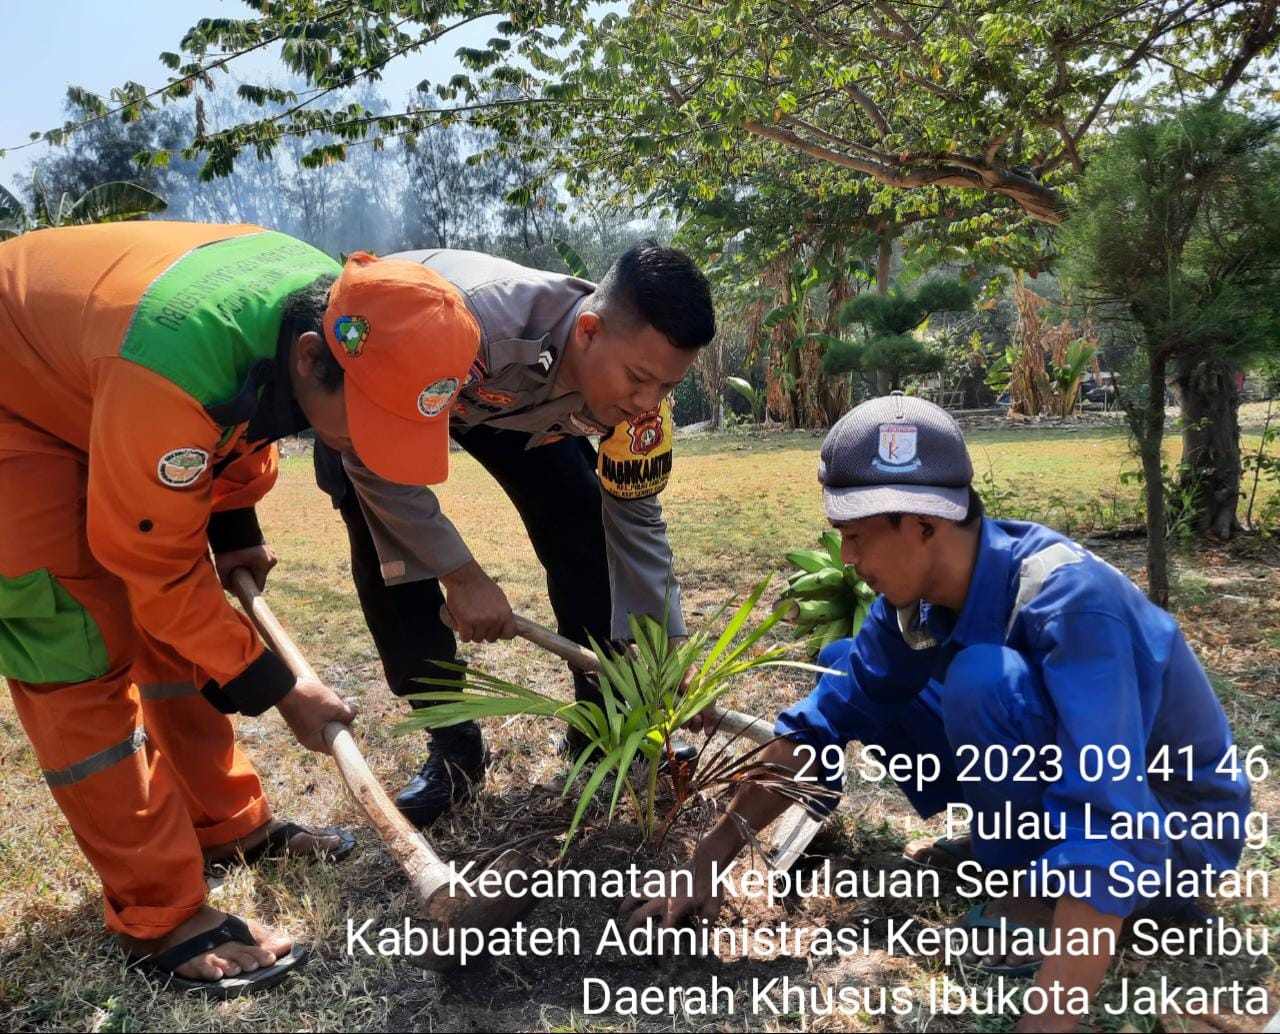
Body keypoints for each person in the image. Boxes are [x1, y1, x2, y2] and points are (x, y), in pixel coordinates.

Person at [622, 393, 1250, 1032]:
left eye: (856, 536)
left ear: (924, 524)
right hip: (1100, 798)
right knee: (845, 667)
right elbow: (819, 725)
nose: (847, 557)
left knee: (984, 679)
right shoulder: (916, 606)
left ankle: (1029, 898)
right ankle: (1016, 851)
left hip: (1171, 836)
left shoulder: (1070, 603)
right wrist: (704, 865)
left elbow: (1111, 820)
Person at [0, 220, 479, 996]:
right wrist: (283, 689)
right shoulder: (178, 359)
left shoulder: (336, 306)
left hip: (100, 382)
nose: (372, 445)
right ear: (311, 360)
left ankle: (229, 829)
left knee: (174, 631)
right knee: (76, 640)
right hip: (16, 405)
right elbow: (156, 557)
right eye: (369, 419)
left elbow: (240, 412)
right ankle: (162, 915)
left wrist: (234, 531)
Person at [307, 240, 717, 829]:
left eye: (667, 387)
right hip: (393, 383)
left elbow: (637, 519)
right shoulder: (466, 327)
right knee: (389, 554)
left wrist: (666, 649)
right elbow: (373, 463)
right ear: (589, 331)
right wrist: (462, 575)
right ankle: (453, 744)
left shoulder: (643, 396)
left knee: (583, 522)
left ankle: (601, 727)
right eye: (639, 379)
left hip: (517, 408)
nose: (647, 402)